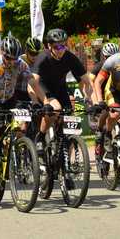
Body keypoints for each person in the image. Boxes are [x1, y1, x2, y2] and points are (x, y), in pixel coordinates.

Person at [0, 36, 49, 190]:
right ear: (3, 53)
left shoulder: (21, 65)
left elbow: (33, 83)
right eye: (8, 57)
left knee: (21, 127)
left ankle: (19, 155)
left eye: (14, 58)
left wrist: (45, 102)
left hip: (9, 99)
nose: (11, 61)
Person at [31, 28, 94, 186]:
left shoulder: (70, 57)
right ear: (49, 46)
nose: (62, 50)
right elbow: (33, 83)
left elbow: (86, 81)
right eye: (58, 47)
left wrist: (86, 97)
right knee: (55, 108)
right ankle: (41, 135)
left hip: (60, 89)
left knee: (68, 131)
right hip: (43, 88)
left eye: (64, 46)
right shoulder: (43, 57)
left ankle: (65, 170)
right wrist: (44, 101)